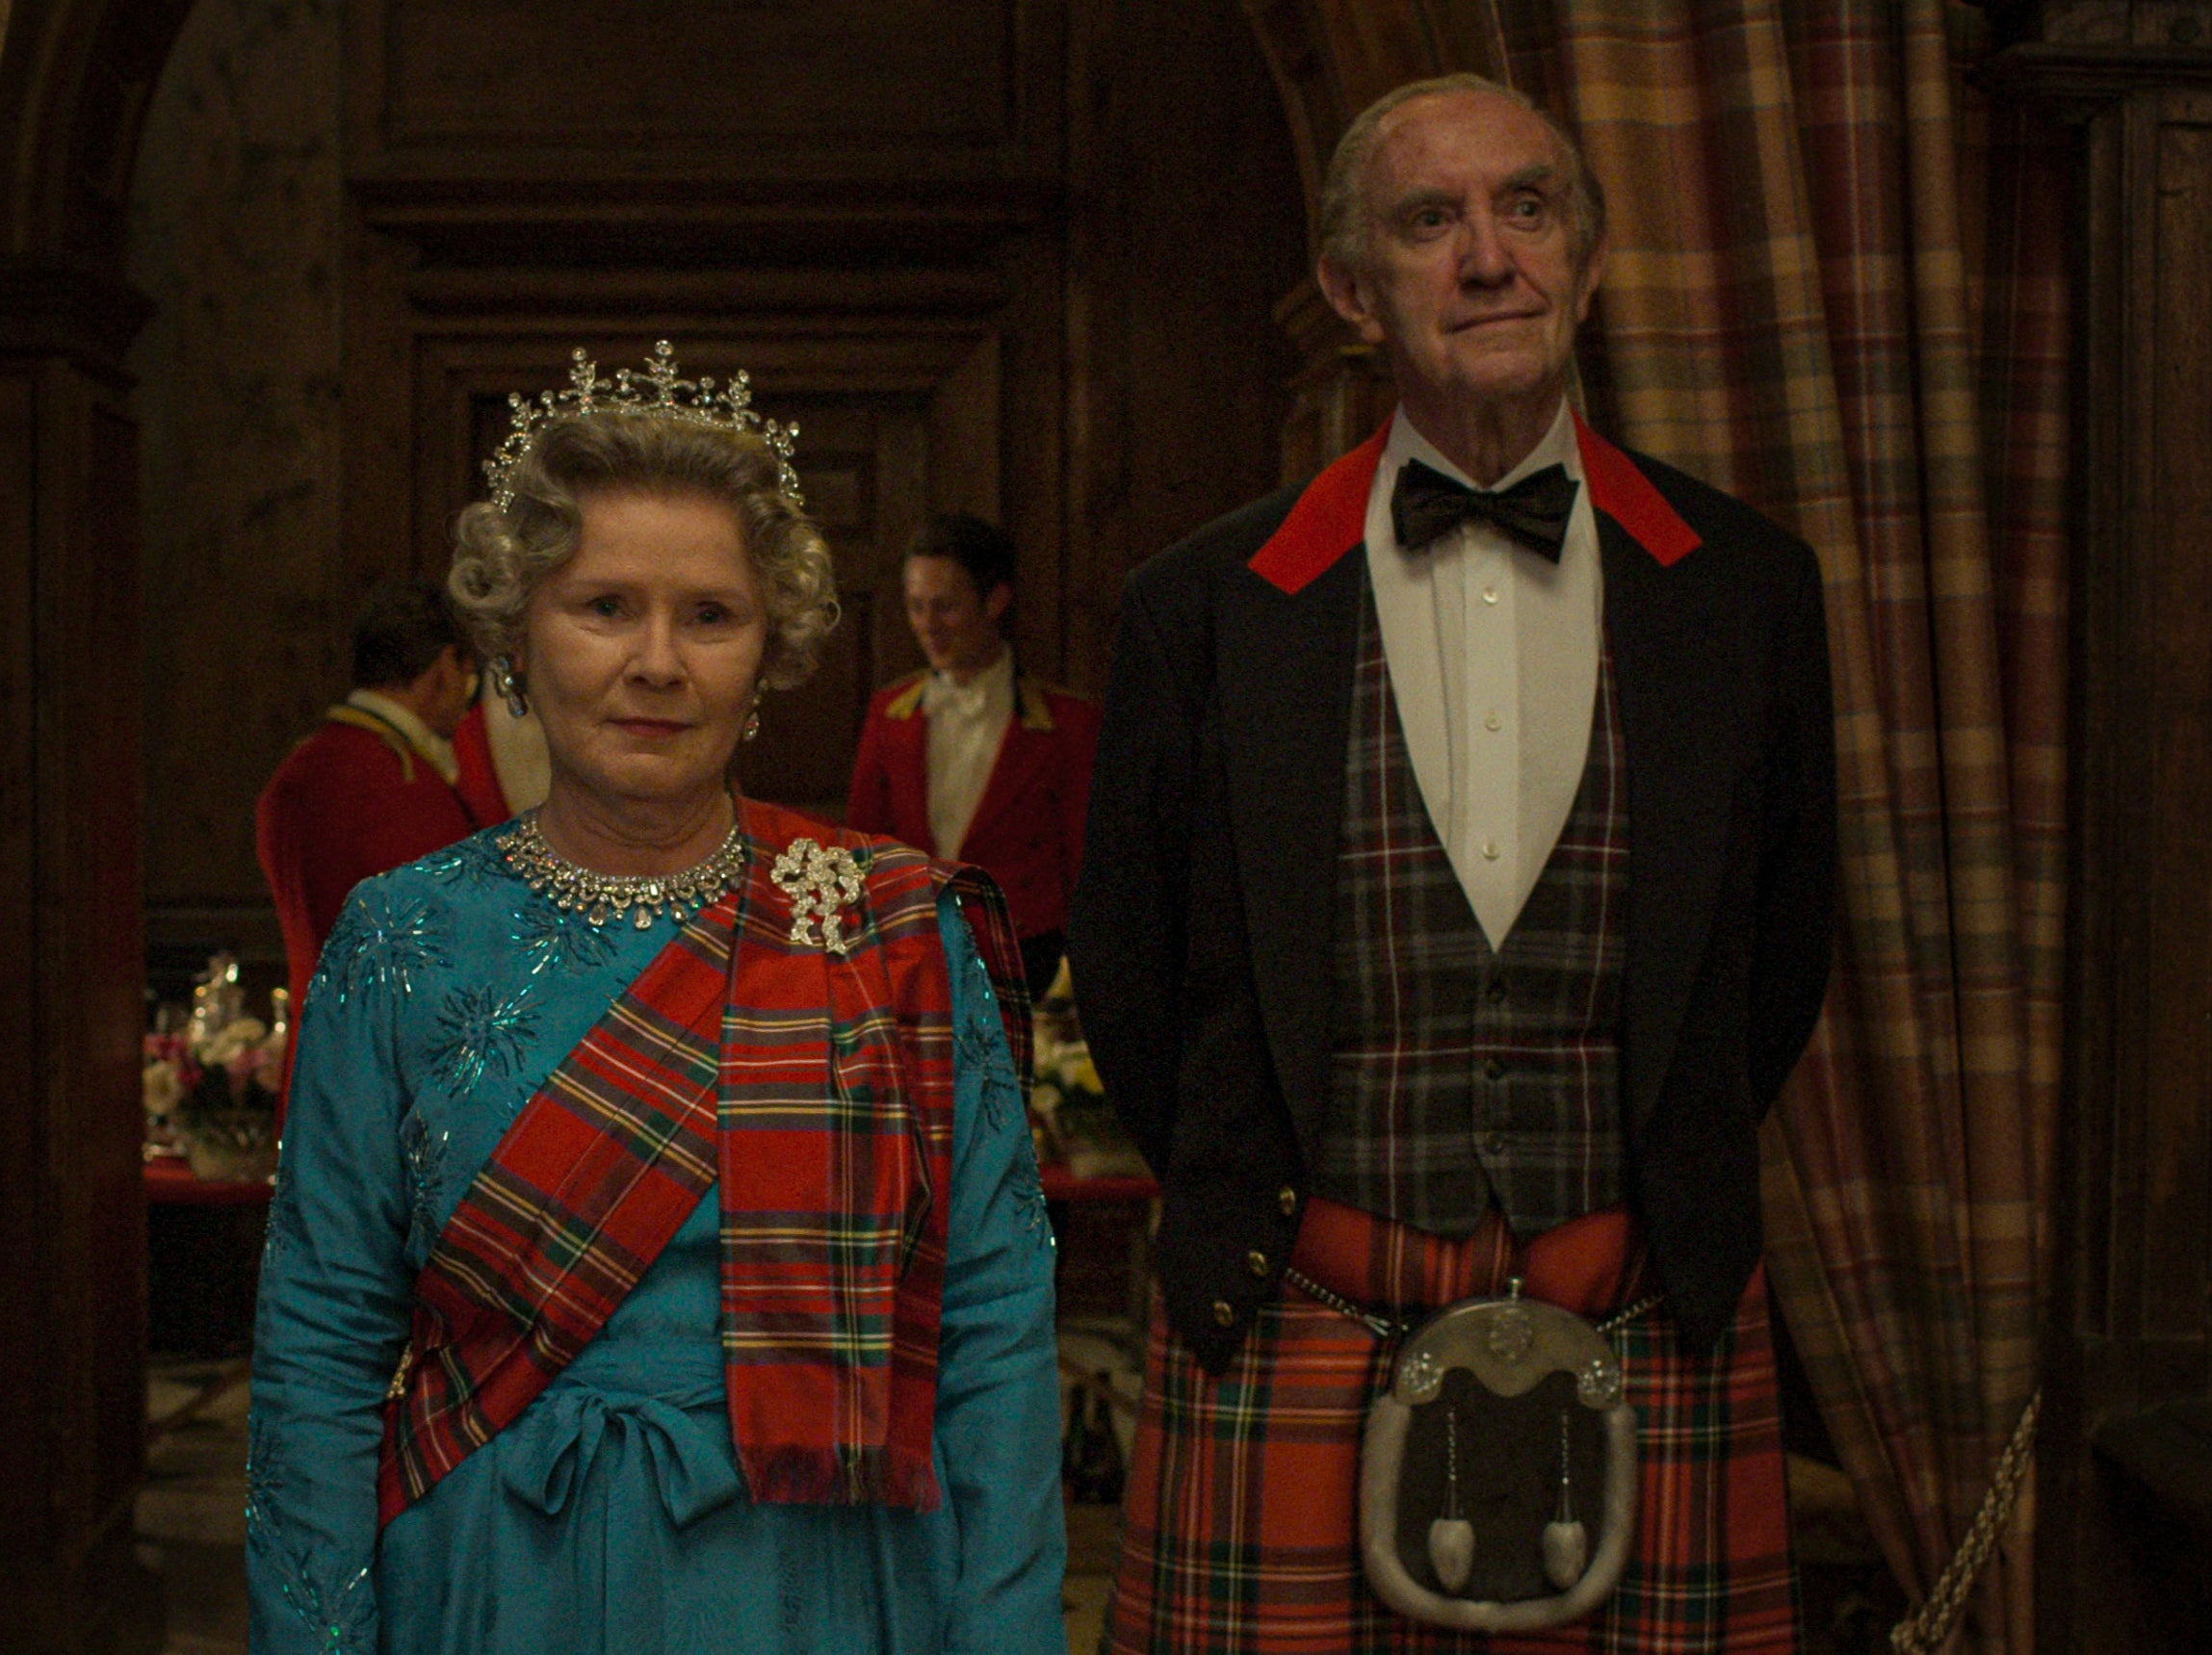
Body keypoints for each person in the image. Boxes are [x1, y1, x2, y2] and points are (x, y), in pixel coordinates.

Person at [1070, 75, 1835, 1653]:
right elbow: (1140, 991)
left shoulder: (1744, 587)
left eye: (1526, 208)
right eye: (1431, 221)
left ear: (1588, 256)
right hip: (1299, 1313)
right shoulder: (1199, 606)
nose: (1488, 257)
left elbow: (1773, 960)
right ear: (1352, 289)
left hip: (1641, 1316)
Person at [247, 344, 1066, 1654]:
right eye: (605, 605)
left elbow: (997, 1331)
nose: (657, 661)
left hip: (818, 1584)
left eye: (710, 614)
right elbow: (321, 1335)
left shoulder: (894, 929)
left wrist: (1005, 1631)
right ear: (517, 634)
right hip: (496, 1570)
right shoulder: (396, 934)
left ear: (769, 649)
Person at [847, 513, 1100, 997]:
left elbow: (1085, 866)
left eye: (946, 607)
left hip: (1029, 961)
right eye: (916, 606)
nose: (927, 626)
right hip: (912, 953)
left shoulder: (1068, 724)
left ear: (996, 601)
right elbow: (862, 851)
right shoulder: (889, 715)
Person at [255, 580, 501, 1070]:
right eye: (466, 675)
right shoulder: (398, 781)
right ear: (441, 671)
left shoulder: (304, 763)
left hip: (314, 1057)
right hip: (383, 1074)